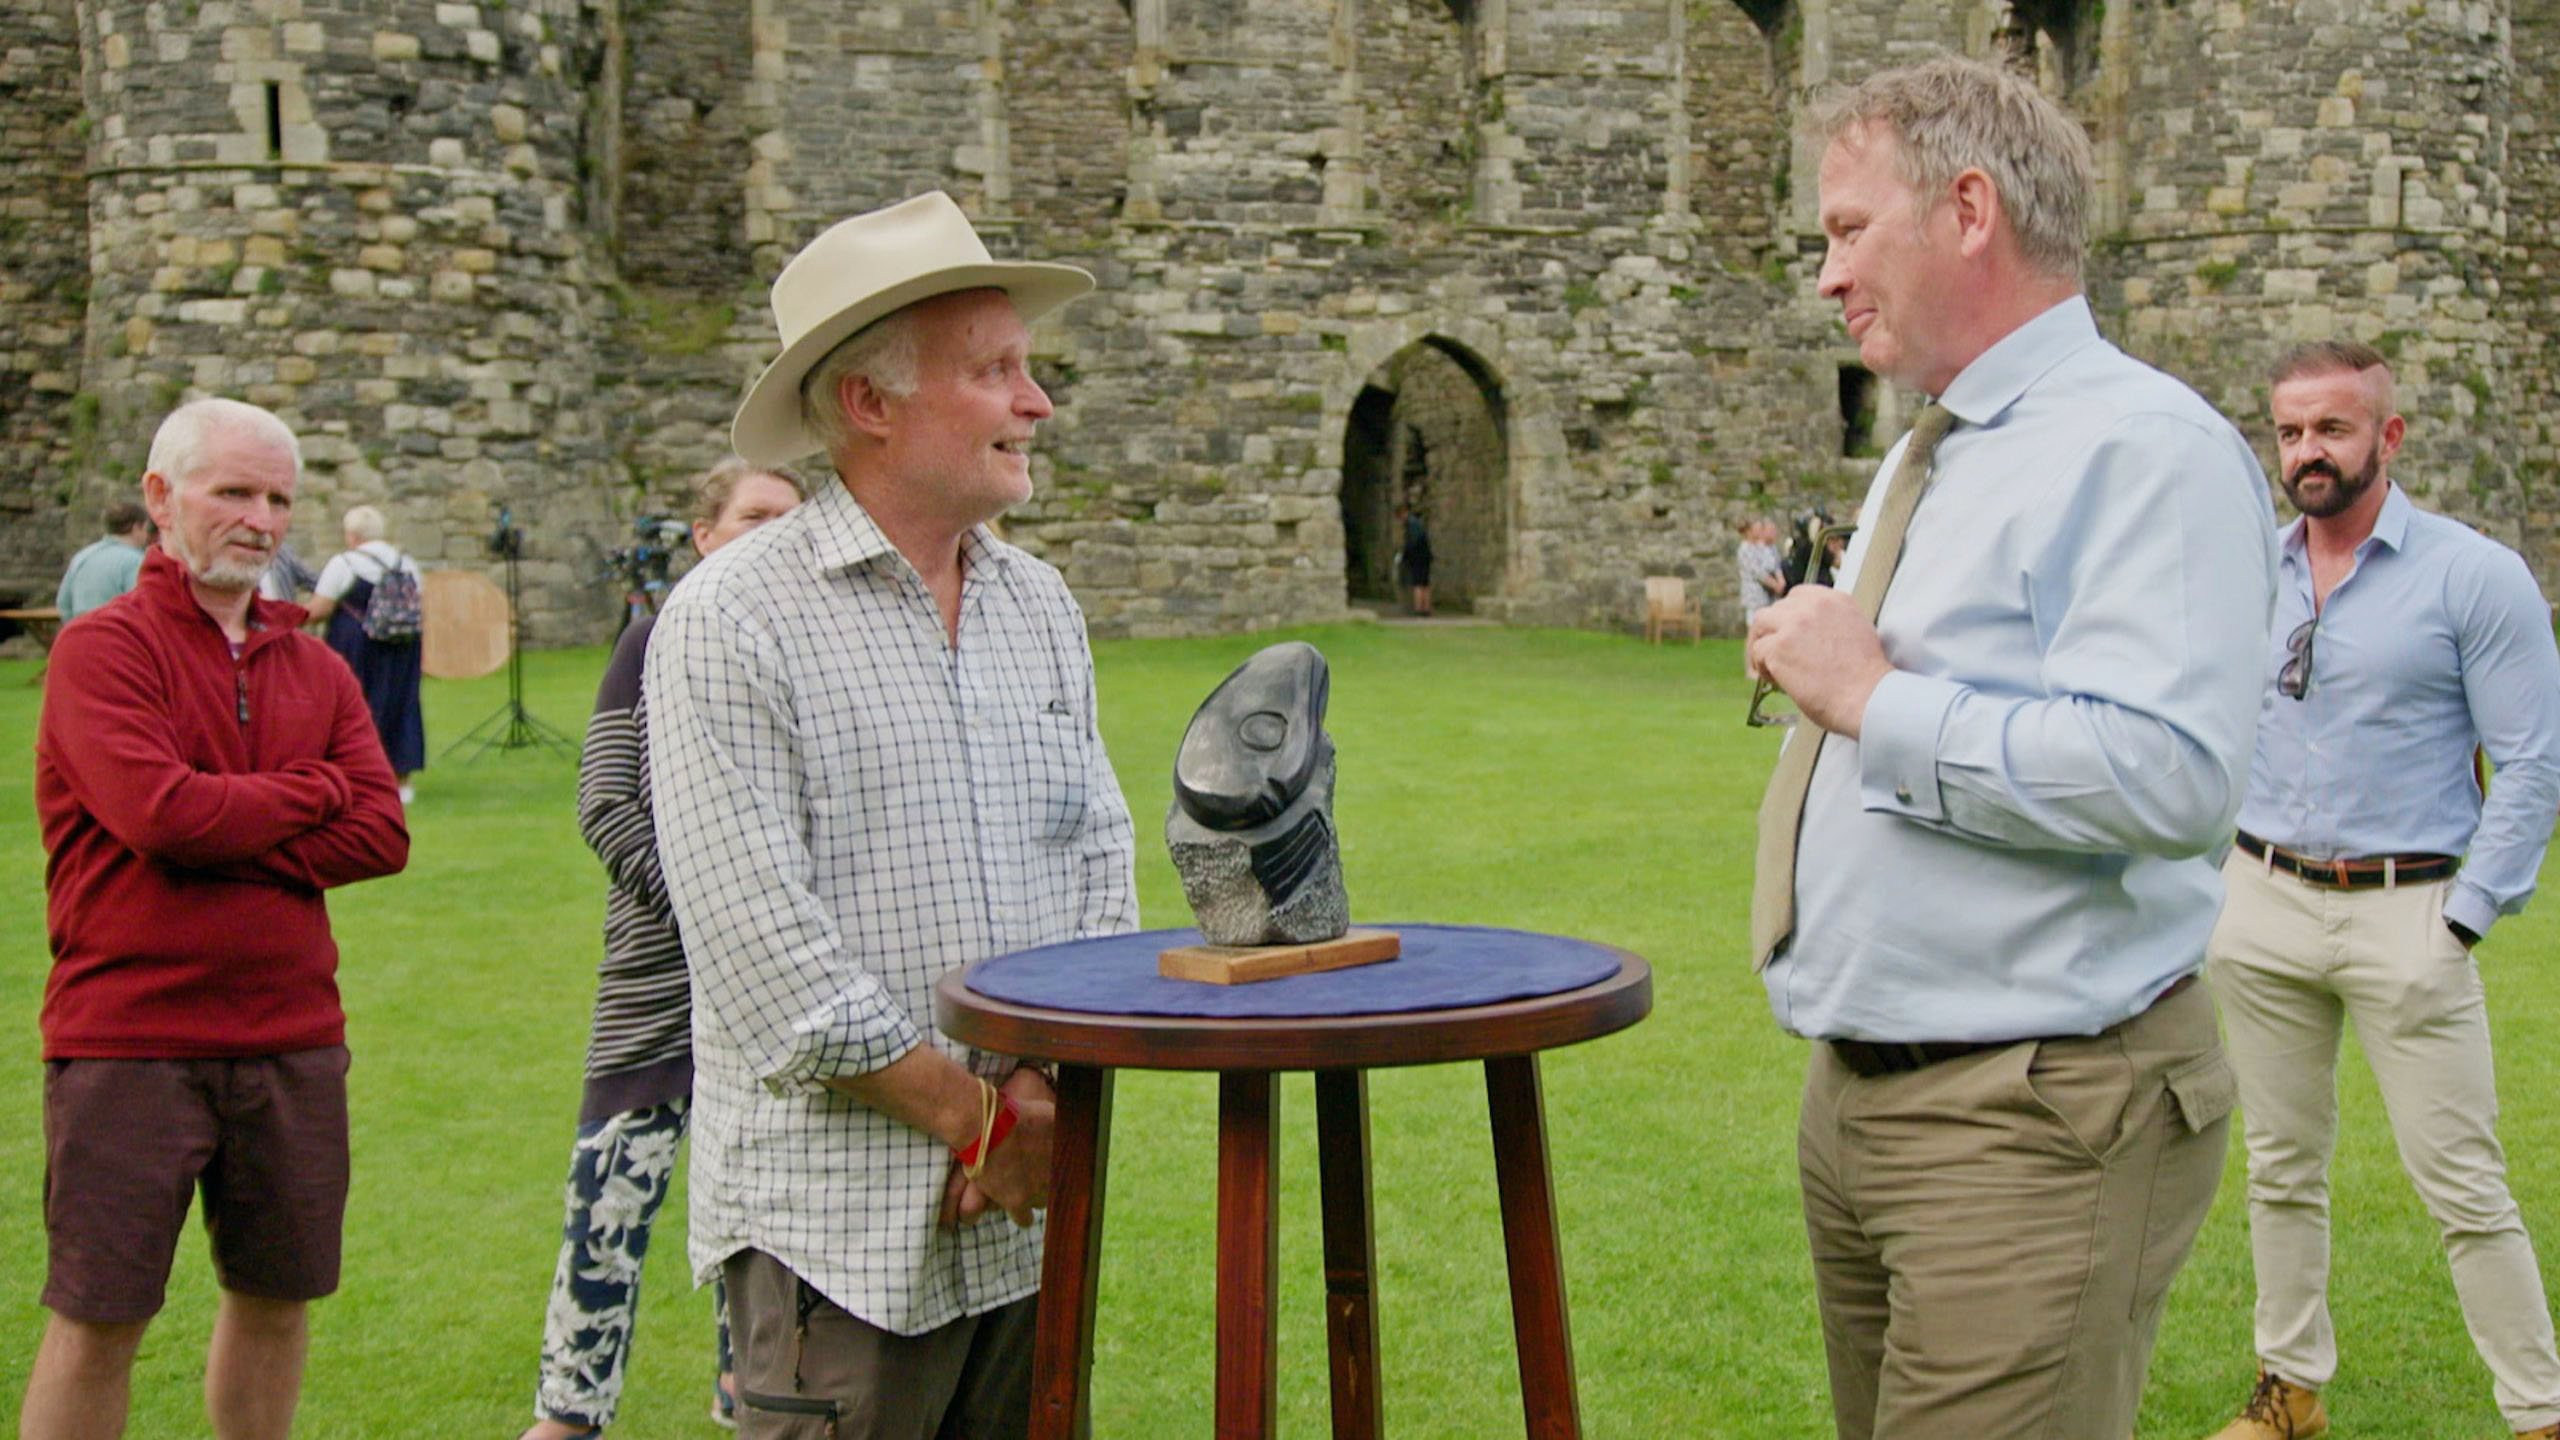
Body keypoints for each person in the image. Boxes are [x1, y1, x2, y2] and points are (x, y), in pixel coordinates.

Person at [1744, 56, 2278, 1440]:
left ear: (1968, 210)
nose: (1824, 274)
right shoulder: (1942, 448)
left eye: (1848, 230)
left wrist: (1871, 698)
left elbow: (2172, 777)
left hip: (2033, 1113)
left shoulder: (2138, 449)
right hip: (1869, 1097)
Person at [648, 190, 1139, 1439]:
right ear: (870, 405)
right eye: (995, 371)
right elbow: (762, 947)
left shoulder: (1038, 605)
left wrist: (1034, 1085)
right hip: (844, 1230)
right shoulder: (734, 617)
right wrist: (979, 1120)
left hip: (1027, 1216)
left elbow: (1098, 862)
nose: (1039, 403)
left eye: (1027, 369)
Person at [21, 397, 409, 1440]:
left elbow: (382, 836)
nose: (262, 518)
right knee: (99, 1316)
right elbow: (163, 815)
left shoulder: (317, 667)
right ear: (161, 497)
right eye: (233, 491)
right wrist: (308, 792)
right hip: (131, 1040)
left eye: (279, 497)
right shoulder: (103, 654)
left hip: (291, 1038)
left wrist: (225, 818)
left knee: (277, 1302)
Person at [2199, 341, 2560, 1440]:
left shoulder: (2471, 575)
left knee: (2462, 1188)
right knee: (2278, 1170)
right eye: (2291, 431)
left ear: (2388, 437)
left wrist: (2462, 917)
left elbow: (2534, 760)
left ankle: (2540, 1412)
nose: (2308, 451)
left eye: (2333, 429)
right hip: (2260, 901)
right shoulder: (2247, 572)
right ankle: (2289, 1393)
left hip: (2408, 909)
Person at [519, 458, 809, 1440]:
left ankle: (749, 1388)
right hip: (657, 980)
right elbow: (605, 806)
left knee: (762, 1205)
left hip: (771, 987)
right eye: (756, 515)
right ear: (705, 532)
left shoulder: (805, 653)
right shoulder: (647, 644)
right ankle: (568, 1416)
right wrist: (723, 912)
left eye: (790, 519)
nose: (774, 533)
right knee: (610, 1198)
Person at [307, 506, 426, 803]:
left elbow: (320, 609)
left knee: (353, 706)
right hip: (403, 644)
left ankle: (354, 774)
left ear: (353, 535)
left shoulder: (346, 562)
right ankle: (402, 782)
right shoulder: (405, 562)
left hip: (357, 643)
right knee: (402, 702)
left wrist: (285, 616)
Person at [53, 501, 150, 620]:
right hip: (118, 634)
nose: (147, 534)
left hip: (82, 631)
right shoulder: (137, 561)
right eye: (146, 528)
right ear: (136, 528)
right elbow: (143, 608)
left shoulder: (82, 556)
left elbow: (63, 603)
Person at [1735, 518, 1785, 672]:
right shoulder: (1745, 549)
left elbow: (1771, 565)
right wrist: (1774, 584)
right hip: (1754, 596)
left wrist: (1779, 579)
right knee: (1753, 631)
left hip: (1766, 596)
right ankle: (1750, 667)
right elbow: (1757, 572)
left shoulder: (1760, 547)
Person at [1397, 502, 1434, 615]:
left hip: (1418, 557)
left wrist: (1405, 556)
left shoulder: (1411, 525)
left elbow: (1412, 543)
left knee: (1418, 583)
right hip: (1425, 556)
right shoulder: (1417, 523)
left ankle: (1419, 608)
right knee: (1425, 583)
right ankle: (1426, 608)